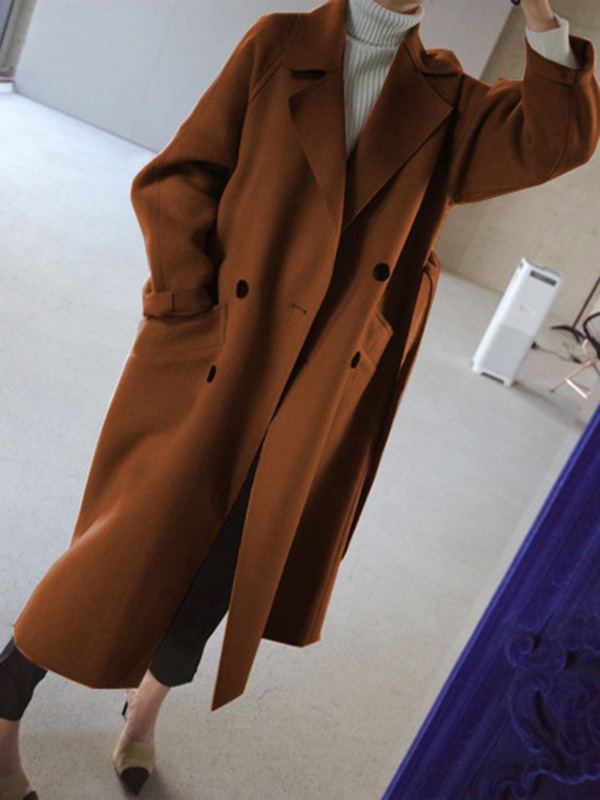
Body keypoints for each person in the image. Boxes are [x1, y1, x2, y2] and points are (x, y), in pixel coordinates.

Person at [1, 0, 599, 797]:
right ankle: (5, 707)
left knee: (230, 562)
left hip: (321, 383)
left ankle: (144, 712)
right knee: (123, 544)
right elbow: (180, 175)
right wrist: (187, 305)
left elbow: (557, 139)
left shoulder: (450, 96)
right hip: (223, 351)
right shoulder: (280, 42)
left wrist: (543, 15)